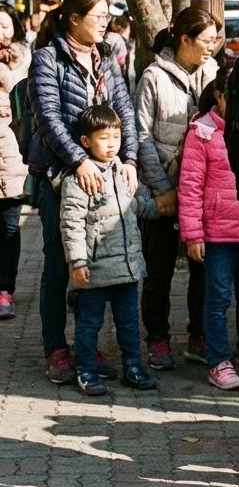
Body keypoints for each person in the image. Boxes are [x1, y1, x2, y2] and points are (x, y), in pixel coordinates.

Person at [26, 0, 139, 384]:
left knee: (96, 265)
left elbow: (124, 110)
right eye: (98, 17)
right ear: (73, 19)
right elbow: (48, 117)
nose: (104, 24)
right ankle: (56, 348)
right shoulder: (47, 59)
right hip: (61, 178)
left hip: (107, 177)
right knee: (60, 264)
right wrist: (79, 160)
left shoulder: (105, 58)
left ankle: (87, 346)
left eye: (107, 17)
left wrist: (130, 159)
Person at [178, 66, 239, 390]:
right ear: (218, 96)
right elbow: (189, 188)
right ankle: (218, 361)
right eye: (234, 95)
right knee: (218, 298)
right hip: (217, 234)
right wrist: (193, 234)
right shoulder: (202, 133)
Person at [134, 6, 219, 372]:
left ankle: (199, 336)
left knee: (204, 267)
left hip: (204, 193)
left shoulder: (213, 73)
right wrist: (162, 189)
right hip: (163, 191)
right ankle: (157, 338)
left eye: (215, 41)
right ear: (185, 39)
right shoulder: (153, 77)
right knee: (159, 269)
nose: (211, 48)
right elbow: (140, 137)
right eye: (206, 40)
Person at [59, 104, 159, 395]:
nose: (112, 143)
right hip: (96, 270)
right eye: (104, 138)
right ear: (85, 141)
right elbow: (71, 224)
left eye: (116, 136)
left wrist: (165, 207)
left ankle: (133, 367)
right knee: (89, 324)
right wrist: (78, 262)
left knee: (128, 322)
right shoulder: (79, 180)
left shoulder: (124, 172)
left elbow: (138, 206)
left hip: (127, 268)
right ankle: (87, 370)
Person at [0, 4, 31, 320]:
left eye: (5, 25)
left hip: (11, 157)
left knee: (10, 227)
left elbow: (22, 102)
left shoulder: (24, 58)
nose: (1, 31)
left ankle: (5, 289)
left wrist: (6, 72)